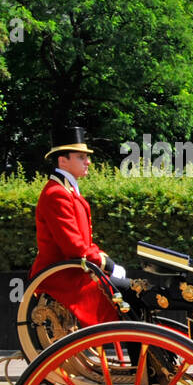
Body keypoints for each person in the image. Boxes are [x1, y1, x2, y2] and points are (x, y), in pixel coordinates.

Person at [30, 127, 122, 327]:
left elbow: (81, 243)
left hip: (73, 272)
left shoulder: (66, 190)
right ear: (63, 161)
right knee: (123, 303)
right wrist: (107, 264)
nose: (88, 161)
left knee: (128, 297)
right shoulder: (57, 193)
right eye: (81, 157)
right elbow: (74, 247)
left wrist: (102, 259)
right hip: (62, 278)